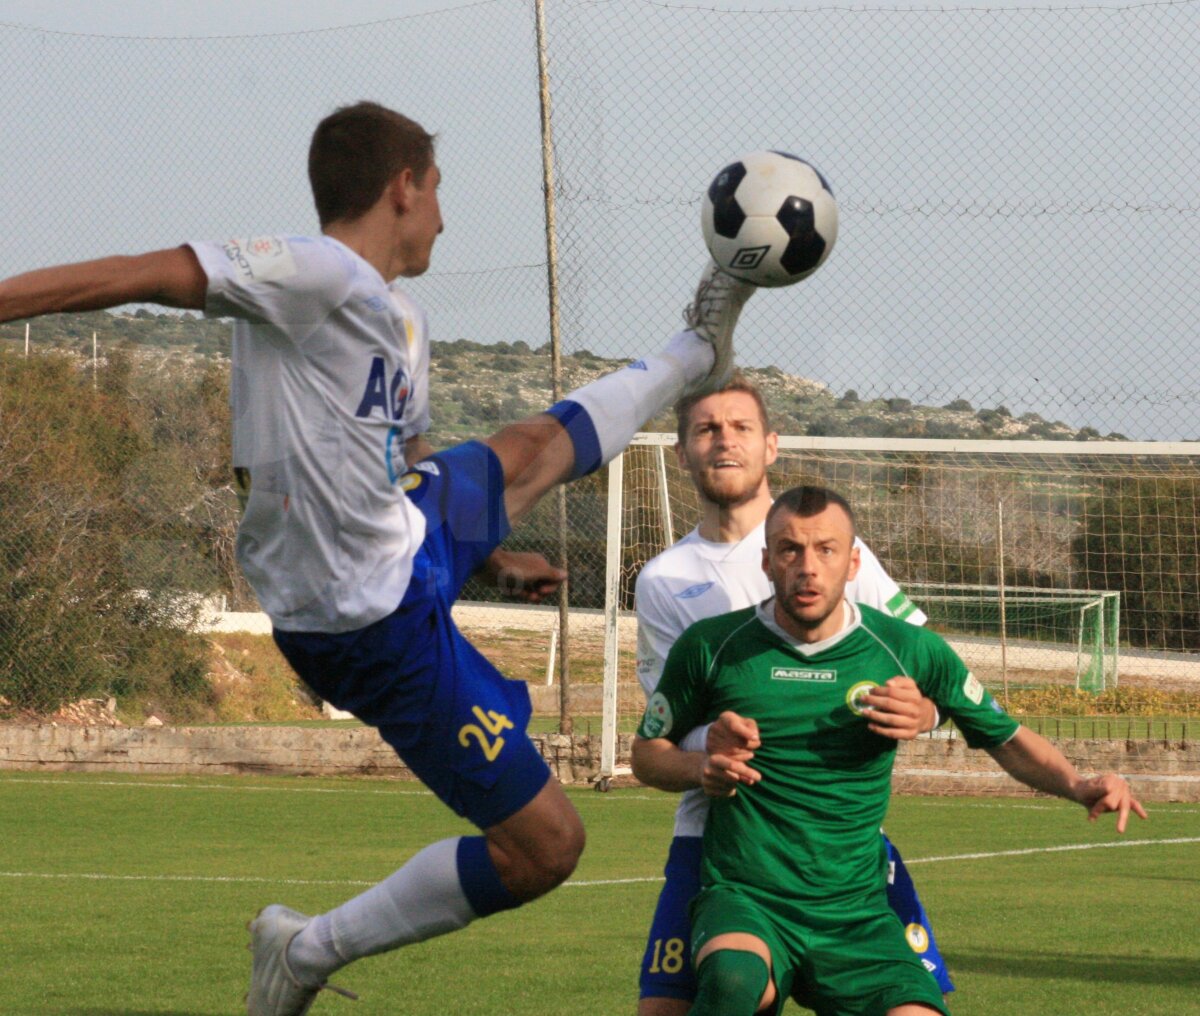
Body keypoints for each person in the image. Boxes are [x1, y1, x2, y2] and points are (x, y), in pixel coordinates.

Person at [0, 100, 757, 1015]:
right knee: (546, 846)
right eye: (438, 191)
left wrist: (490, 554)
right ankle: (306, 949)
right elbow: (142, 274)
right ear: (403, 186)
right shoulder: (313, 271)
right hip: (366, 624)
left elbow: (403, 465)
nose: (444, 215)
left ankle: (697, 348)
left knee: (526, 448)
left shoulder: (402, 322)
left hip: (409, 547)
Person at [631, 485, 1146, 1016]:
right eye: (790, 549)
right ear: (766, 561)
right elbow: (647, 752)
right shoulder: (713, 646)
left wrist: (1080, 785)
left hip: (856, 913)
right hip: (747, 899)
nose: (808, 567)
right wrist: (700, 767)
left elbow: (1006, 738)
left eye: (826, 550)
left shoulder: (908, 650)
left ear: (853, 563)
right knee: (733, 982)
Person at [634, 380, 951, 1016]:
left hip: (836, 851)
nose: (724, 441)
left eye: (740, 428)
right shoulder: (664, 580)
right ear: (681, 454)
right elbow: (666, 732)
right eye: (705, 430)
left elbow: (927, 676)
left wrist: (928, 715)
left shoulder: (829, 546)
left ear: (770, 445)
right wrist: (711, 751)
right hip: (717, 839)